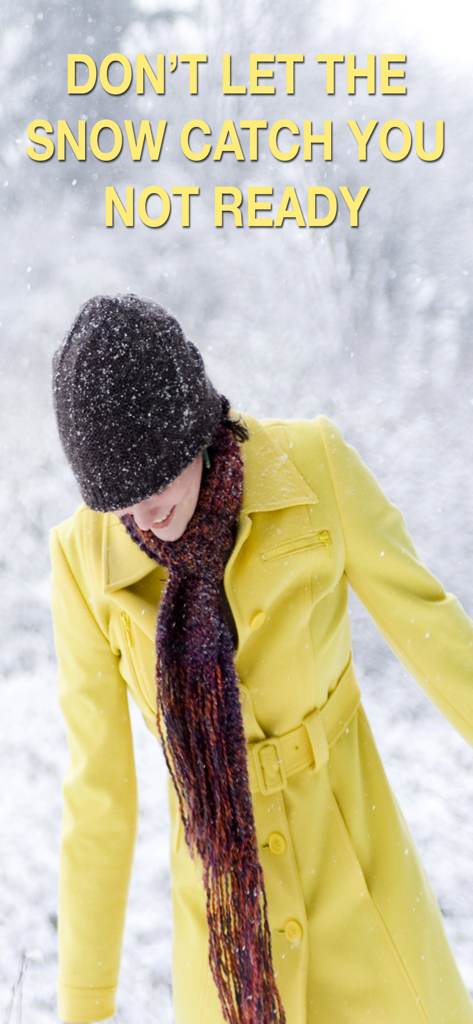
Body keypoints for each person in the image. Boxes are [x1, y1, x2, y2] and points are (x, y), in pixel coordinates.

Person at [50, 293, 473, 1024]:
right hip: (223, 927)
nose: (144, 515)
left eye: (156, 479)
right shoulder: (82, 560)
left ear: (194, 428)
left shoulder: (313, 467)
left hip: (357, 881)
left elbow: (437, 638)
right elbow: (99, 792)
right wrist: (85, 1003)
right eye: (119, 501)